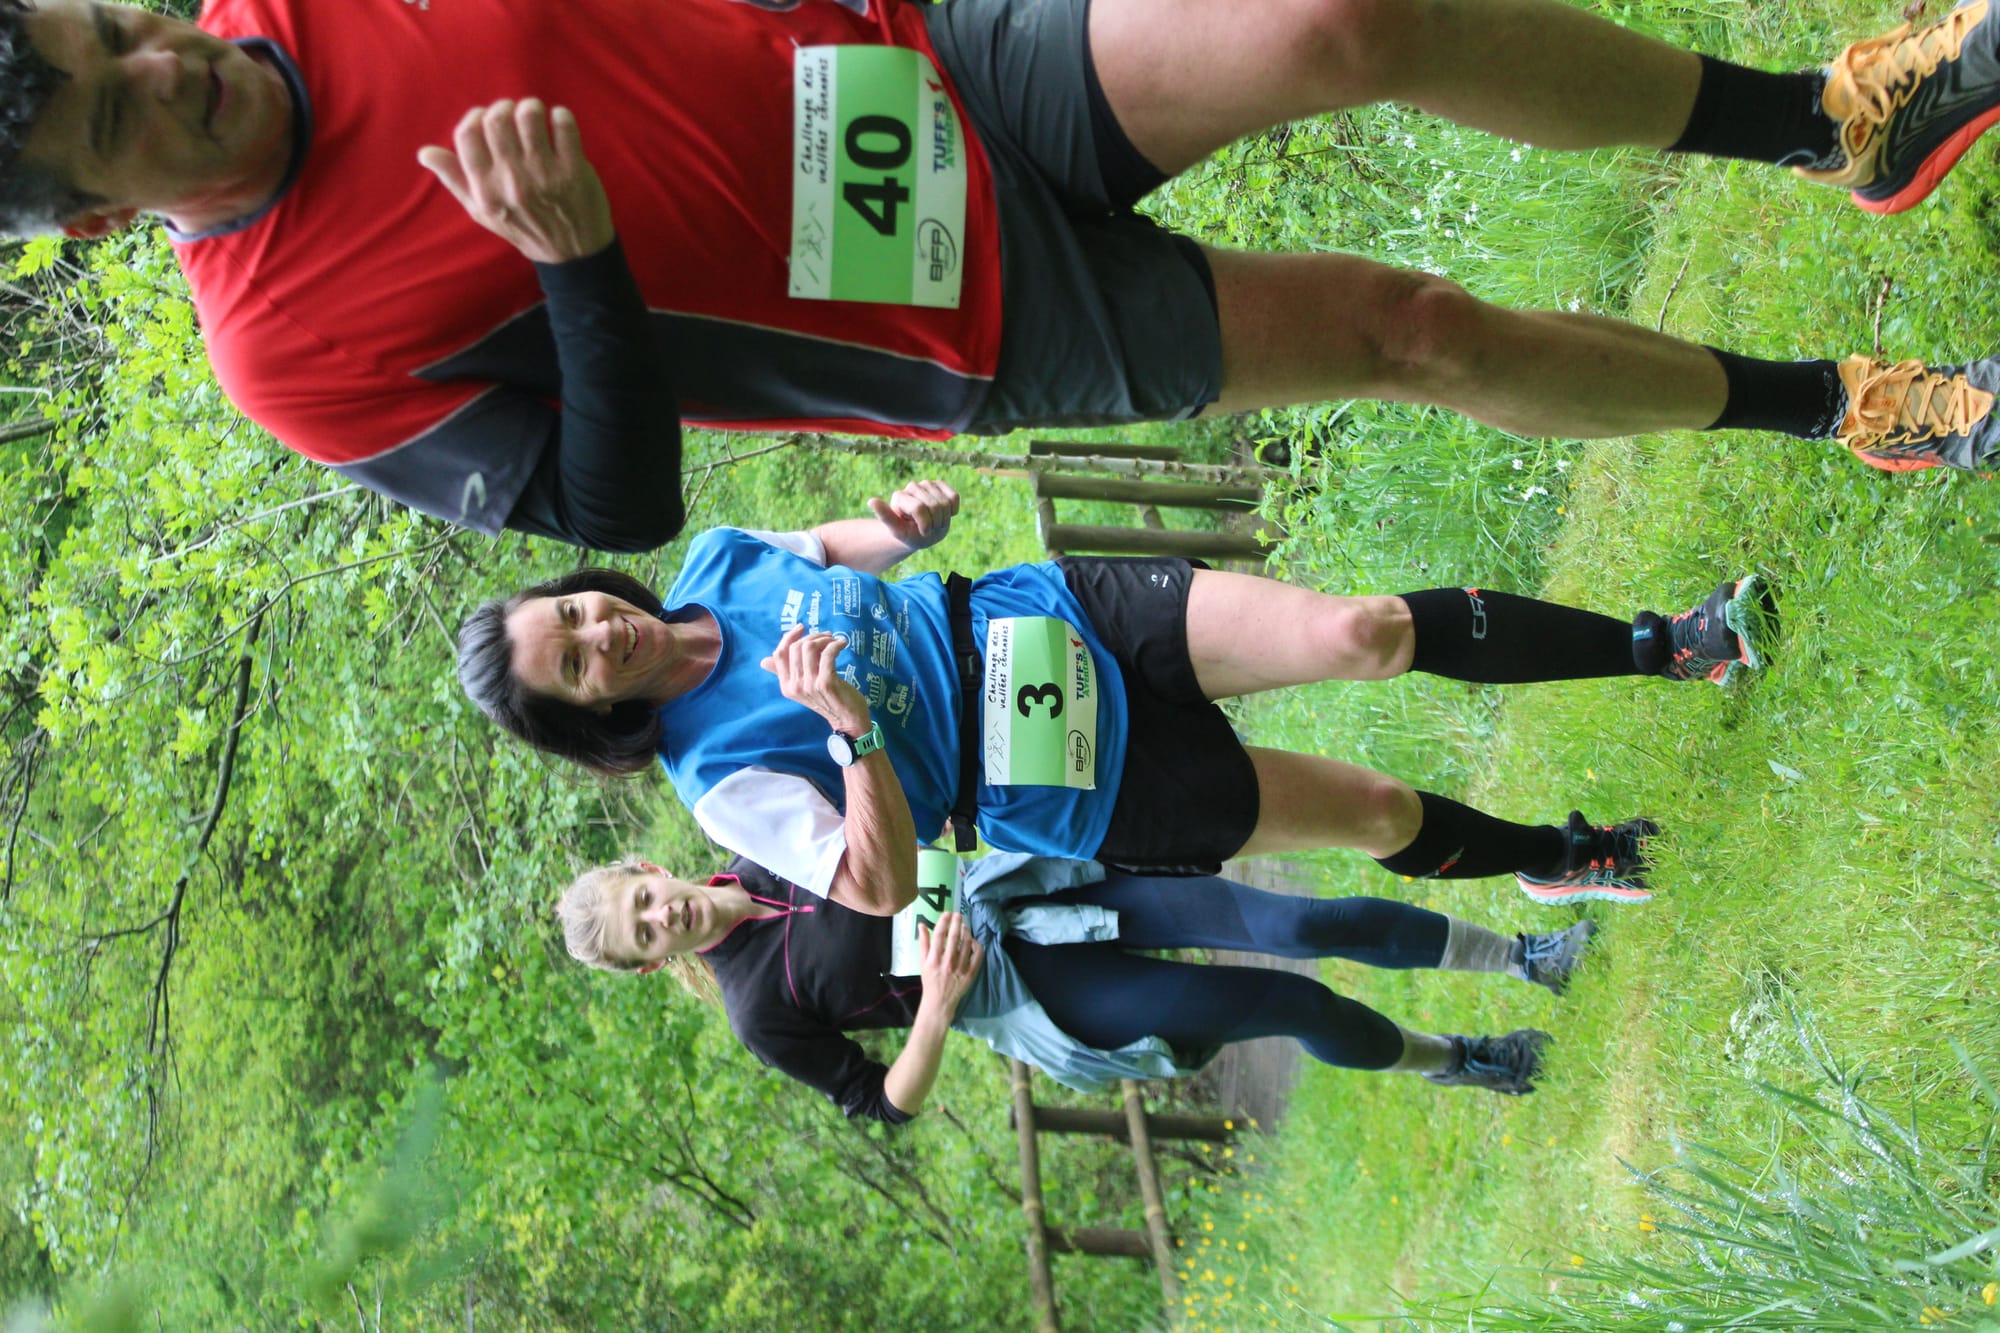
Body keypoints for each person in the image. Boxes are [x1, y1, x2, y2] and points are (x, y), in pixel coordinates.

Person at [0, 0, 1995, 548]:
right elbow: (606, 506)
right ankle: (1833, 406)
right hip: (955, 311)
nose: (160, 70)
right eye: (114, 122)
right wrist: (581, 272)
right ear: (96, 219)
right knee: (1413, 331)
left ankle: (1834, 124)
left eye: (112, 31)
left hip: (916, 56)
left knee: (1335, 24)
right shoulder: (286, 356)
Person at [457, 480, 1779, 913]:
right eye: (573, 664)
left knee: (1362, 631)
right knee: (1375, 811)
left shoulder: (714, 564)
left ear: (584, 583)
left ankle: (1673, 644)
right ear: (584, 714)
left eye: (573, 611)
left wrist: (902, 522)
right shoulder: (714, 779)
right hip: (1064, 783)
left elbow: (843, 549)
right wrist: (853, 738)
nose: (598, 637)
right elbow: (871, 886)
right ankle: (1557, 858)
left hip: (1054, 619)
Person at [554, 852, 1601, 1117]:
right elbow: (883, 1103)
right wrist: (931, 1011)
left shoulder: (762, 838)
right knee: (1284, 1004)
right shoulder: (756, 1009)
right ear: (653, 965)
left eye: (643, 900)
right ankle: (1461, 1060)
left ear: (649, 872)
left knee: (1294, 922)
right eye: (643, 937)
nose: (662, 917)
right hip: (1026, 994)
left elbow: (888, 800)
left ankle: (1521, 955)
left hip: (1031, 887)